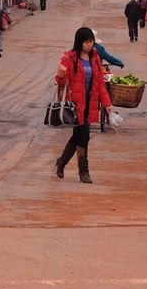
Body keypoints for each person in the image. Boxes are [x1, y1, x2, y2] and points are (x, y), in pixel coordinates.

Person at [53, 27, 114, 183]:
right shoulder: (70, 57)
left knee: (78, 136)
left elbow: (100, 83)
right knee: (84, 135)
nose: (89, 45)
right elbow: (61, 82)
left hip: (90, 104)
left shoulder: (95, 58)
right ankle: (83, 171)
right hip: (76, 105)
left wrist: (107, 103)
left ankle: (61, 162)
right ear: (79, 42)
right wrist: (60, 75)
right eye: (86, 42)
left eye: (91, 42)